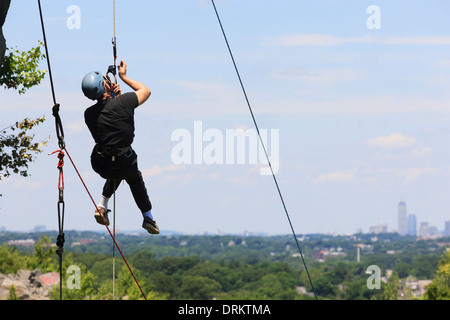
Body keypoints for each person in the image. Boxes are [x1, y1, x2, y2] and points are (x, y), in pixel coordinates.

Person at [81, 60, 159, 235]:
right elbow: (146, 91)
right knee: (132, 175)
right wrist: (123, 77)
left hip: (102, 163)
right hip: (123, 161)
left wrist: (115, 98)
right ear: (104, 86)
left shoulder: (89, 114)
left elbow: (107, 120)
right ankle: (148, 216)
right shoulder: (125, 102)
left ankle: (102, 205)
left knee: (116, 165)